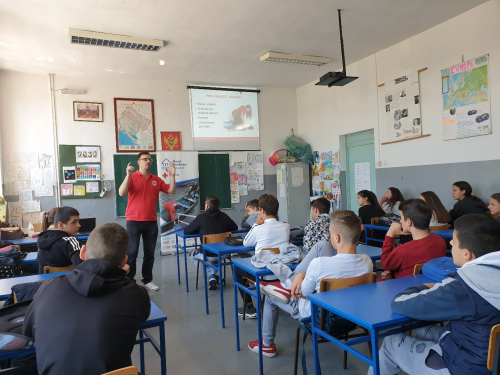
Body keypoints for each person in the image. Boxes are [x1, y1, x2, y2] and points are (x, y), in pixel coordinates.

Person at [370, 215, 500, 375]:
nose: (450, 243)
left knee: (391, 342)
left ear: (467, 254)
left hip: (464, 367)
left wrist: (424, 286)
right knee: (421, 330)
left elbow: (399, 303)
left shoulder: (463, 288)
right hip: (490, 359)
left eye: (454, 241)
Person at [24, 223, 150, 375]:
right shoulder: (137, 294)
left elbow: (28, 332)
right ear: (124, 261)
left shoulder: (48, 286)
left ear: (82, 253)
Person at [248, 210, 373, 357]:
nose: (329, 234)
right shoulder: (367, 262)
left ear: (337, 237)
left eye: (330, 231)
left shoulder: (319, 264)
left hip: (319, 318)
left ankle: (267, 345)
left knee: (269, 297)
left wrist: (301, 275)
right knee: (322, 245)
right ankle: (288, 282)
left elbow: (302, 294)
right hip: (352, 316)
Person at [118, 152, 176, 291]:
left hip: (150, 222)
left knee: (149, 253)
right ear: (138, 162)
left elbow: (172, 190)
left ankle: (148, 280)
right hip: (133, 221)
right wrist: (128, 175)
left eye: (150, 159)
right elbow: (121, 192)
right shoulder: (132, 177)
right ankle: (129, 280)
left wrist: (172, 176)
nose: (148, 161)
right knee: (132, 252)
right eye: (145, 159)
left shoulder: (156, 179)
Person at [237, 194, 289, 319]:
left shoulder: (259, 229)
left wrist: (255, 224)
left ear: (262, 211)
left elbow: (246, 243)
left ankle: (249, 307)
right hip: (281, 273)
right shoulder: (286, 226)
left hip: (263, 274)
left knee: (237, 270)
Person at [380, 199, 446, 280]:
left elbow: (385, 264)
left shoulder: (403, 251)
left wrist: (389, 235)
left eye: (401, 218)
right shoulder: (439, 240)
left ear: (409, 222)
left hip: (401, 287)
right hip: (428, 284)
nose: (400, 221)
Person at [185, 195, 238, 290]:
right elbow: (235, 227)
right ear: (218, 206)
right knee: (215, 258)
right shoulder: (224, 216)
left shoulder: (201, 218)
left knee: (191, 255)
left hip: (207, 254)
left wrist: (201, 230)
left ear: (206, 206)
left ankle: (211, 275)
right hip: (224, 253)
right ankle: (213, 276)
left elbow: (187, 231)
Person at [37, 206, 83, 274]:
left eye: (78, 221)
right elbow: (82, 267)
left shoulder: (42, 240)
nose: (79, 225)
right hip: (67, 282)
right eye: (74, 222)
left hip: (45, 283)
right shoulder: (71, 242)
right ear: (60, 225)